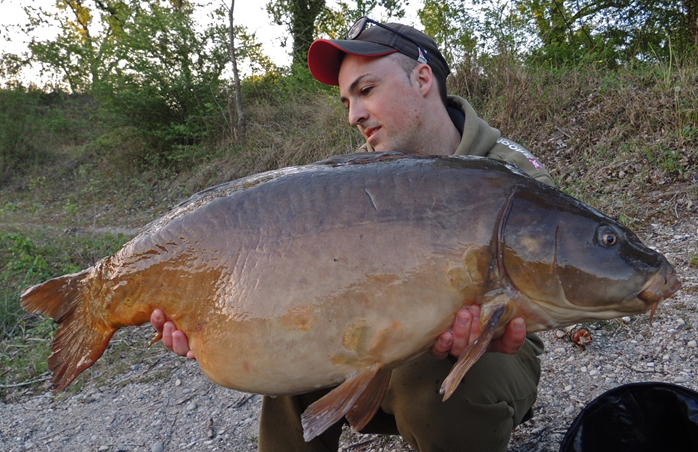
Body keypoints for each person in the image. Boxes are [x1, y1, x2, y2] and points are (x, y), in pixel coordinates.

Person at [151, 17, 553, 452]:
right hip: (374, 344)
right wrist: (204, 317)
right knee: (293, 345)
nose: (353, 115)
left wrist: (496, 322)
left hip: (490, 357)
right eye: (346, 100)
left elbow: (547, 285)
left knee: (428, 380)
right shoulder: (346, 186)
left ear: (421, 79)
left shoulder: (509, 176)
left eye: (366, 91)